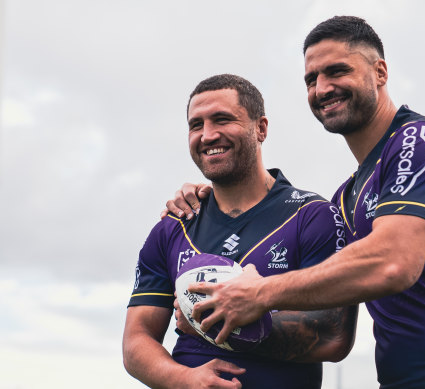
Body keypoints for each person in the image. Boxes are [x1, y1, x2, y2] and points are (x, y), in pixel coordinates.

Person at [166, 17, 425, 389]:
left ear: (380, 72)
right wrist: (207, 202)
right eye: (311, 79)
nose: (322, 88)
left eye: (337, 71)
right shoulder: (344, 197)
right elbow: (328, 305)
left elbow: (393, 263)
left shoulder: (420, 141)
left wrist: (259, 293)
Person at [123, 74, 357, 389]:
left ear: (260, 128)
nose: (207, 135)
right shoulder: (173, 226)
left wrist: (218, 323)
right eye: (196, 125)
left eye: (222, 120)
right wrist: (184, 379)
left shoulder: (313, 217)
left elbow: (332, 336)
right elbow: (136, 341)